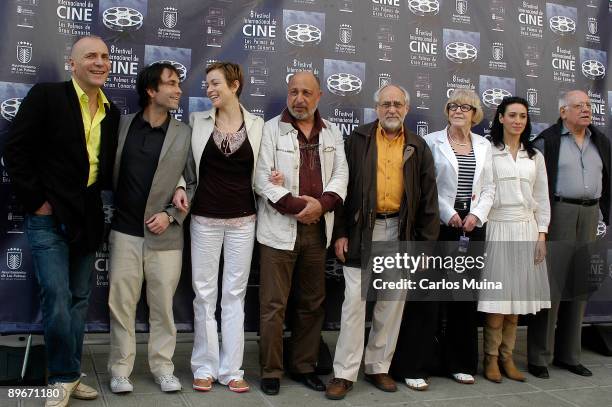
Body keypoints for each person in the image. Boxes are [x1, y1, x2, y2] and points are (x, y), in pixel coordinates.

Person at [4, 35, 120, 407]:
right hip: (48, 217)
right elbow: (14, 148)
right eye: (91, 56)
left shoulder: (111, 111)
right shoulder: (47, 96)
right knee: (56, 297)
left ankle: (67, 375)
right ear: (72, 63)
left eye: (105, 56)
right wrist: (37, 201)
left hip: (86, 217)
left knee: (79, 300)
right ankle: (63, 376)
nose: (100, 62)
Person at [325, 84, 439, 400]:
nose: (391, 109)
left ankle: (378, 367)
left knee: (391, 304)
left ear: (406, 108)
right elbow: (341, 188)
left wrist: (423, 247)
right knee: (353, 305)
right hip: (363, 231)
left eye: (397, 104)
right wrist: (341, 233)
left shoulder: (418, 145)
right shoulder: (358, 140)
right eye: (386, 103)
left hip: (399, 235)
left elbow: (429, 200)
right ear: (376, 108)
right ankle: (344, 374)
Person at [254, 71, 348, 396]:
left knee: (311, 303)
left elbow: (341, 176)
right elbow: (262, 180)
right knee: (273, 305)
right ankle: (271, 371)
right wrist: (299, 207)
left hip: (317, 232)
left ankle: (304, 366)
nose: (299, 99)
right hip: (280, 231)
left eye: (306, 93)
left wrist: (320, 207)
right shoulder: (270, 130)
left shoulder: (332, 132)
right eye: (294, 92)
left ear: (319, 96)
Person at [106, 62, 195, 394]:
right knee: (122, 305)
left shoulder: (184, 133)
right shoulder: (122, 125)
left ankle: (162, 368)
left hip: (166, 235)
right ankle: (119, 370)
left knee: (162, 307)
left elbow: (193, 182)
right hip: (124, 232)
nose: (178, 90)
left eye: (178, 83)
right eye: (170, 84)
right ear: (150, 90)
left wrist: (172, 214)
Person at [187, 62, 272, 393]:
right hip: (204, 219)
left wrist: (275, 177)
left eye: (215, 83)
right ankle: (204, 367)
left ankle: (232, 370)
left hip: (243, 221)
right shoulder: (197, 121)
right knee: (204, 295)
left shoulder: (258, 125)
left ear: (235, 86)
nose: (209, 89)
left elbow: (264, 169)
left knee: (234, 296)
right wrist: (180, 186)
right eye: (207, 84)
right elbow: (184, 164)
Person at [409, 89, 494, 389]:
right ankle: (417, 365)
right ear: (447, 111)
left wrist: (476, 215)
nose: (459, 110)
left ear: (475, 113)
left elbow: (489, 188)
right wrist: (448, 213)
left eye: (466, 107)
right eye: (453, 106)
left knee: (462, 298)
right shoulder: (431, 142)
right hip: (439, 226)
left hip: (471, 229)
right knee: (428, 298)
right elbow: (427, 185)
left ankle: (460, 363)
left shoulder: (485, 146)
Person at [527, 90, 610, 379]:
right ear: (563, 112)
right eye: (579, 106)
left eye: (588, 105)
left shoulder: (599, 141)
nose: (586, 110)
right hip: (558, 214)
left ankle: (570, 355)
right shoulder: (547, 141)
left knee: (579, 285)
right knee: (551, 286)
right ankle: (540, 356)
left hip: (590, 214)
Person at [478, 96, 551, 383]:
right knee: (498, 300)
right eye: (512, 115)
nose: (518, 121)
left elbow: (543, 198)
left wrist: (541, 233)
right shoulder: (488, 152)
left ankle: (508, 358)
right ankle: (491, 359)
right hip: (498, 227)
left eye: (522, 116)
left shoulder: (534, 156)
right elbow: (483, 191)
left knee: (518, 299)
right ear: (500, 118)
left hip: (526, 229)